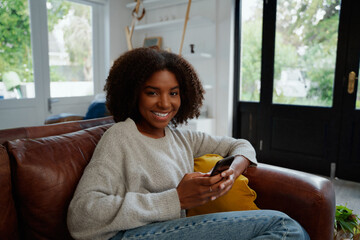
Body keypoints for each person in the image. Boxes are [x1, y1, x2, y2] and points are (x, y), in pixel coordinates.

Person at [67, 47, 309, 240]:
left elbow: (241, 145)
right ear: (132, 94)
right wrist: (176, 199)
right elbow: (81, 216)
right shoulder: (120, 136)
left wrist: (233, 172)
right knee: (286, 228)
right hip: (131, 234)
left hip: (176, 231)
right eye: (152, 92)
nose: (165, 103)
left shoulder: (181, 138)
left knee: (289, 230)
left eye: (173, 93)